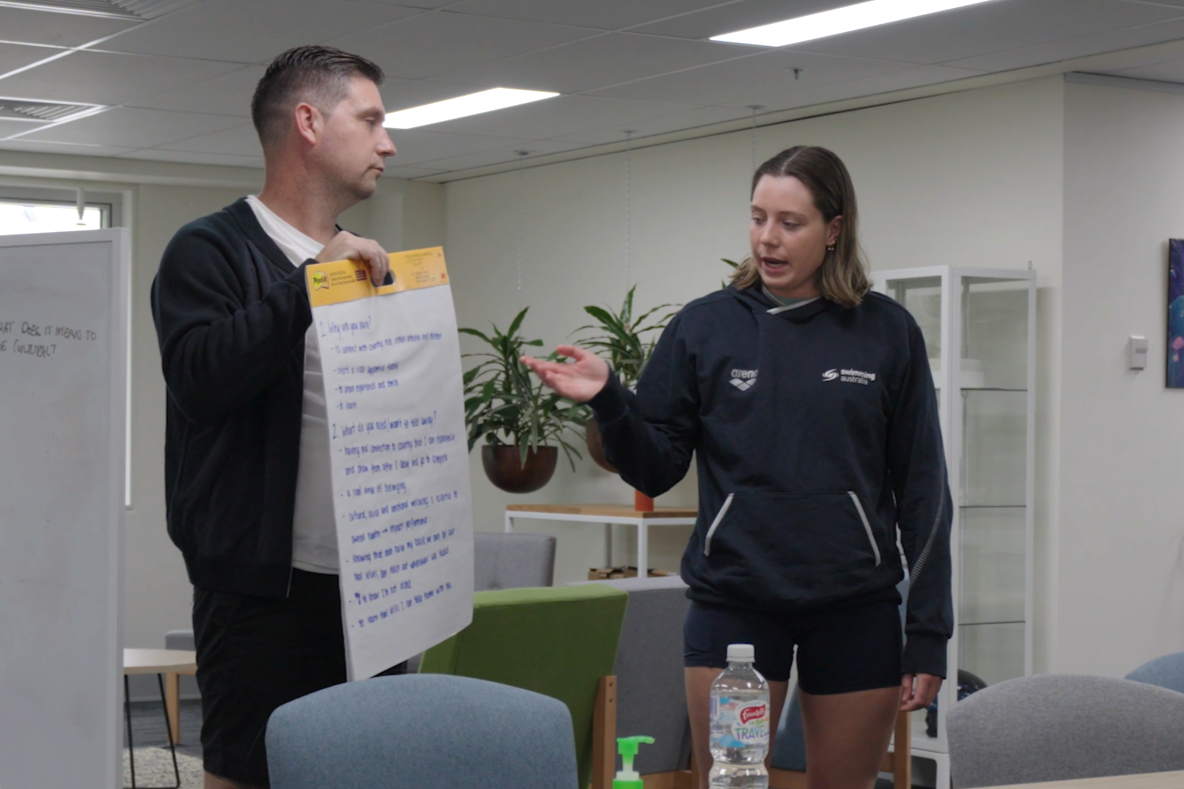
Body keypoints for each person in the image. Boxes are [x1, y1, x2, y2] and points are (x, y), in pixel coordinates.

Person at [523, 145, 953, 789]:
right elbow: (656, 469)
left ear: (834, 230)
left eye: (790, 222)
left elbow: (924, 490)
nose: (768, 239)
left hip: (856, 608)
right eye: (757, 219)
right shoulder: (705, 328)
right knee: (733, 784)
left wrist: (927, 633)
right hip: (735, 606)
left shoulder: (886, 332)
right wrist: (613, 400)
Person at [151, 46, 400, 789]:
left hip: (372, 589)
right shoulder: (209, 250)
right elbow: (201, 379)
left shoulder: (367, 267)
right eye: (372, 120)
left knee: (371, 770)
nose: (389, 143)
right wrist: (312, 281)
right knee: (251, 772)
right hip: (262, 593)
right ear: (309, 123)